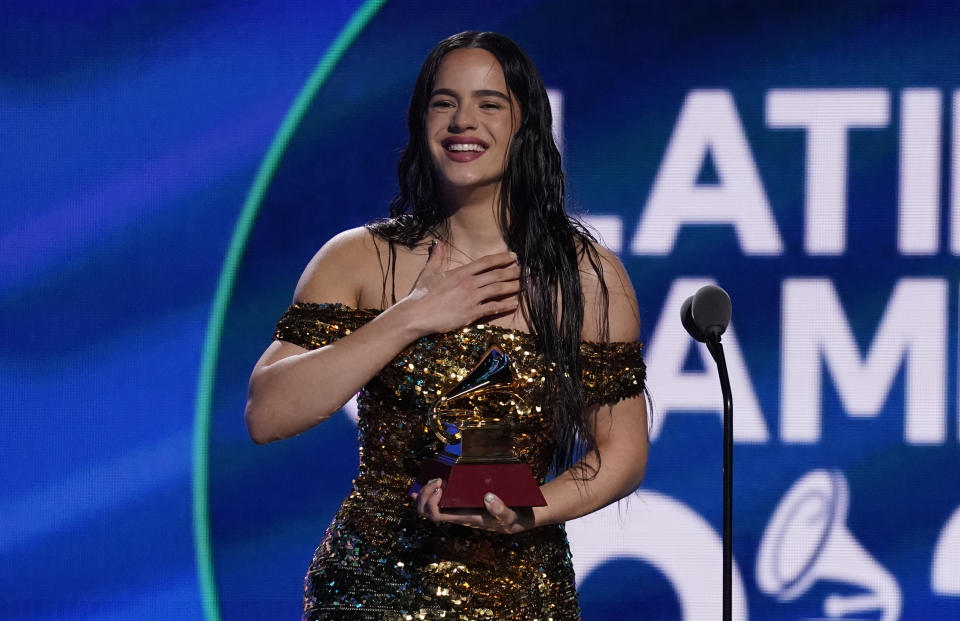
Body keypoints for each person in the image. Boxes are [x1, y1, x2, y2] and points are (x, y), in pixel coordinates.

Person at [245, 31, 649, 621]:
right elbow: (266, 413)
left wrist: (526, 511)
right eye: (444, 102)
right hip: (372, 593)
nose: (464, 121)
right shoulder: (360, 259)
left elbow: (622, 452)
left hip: (522, 597)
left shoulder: (585, 275)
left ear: (525, 124)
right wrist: (409, 317)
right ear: (421, 122)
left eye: (489, 104)